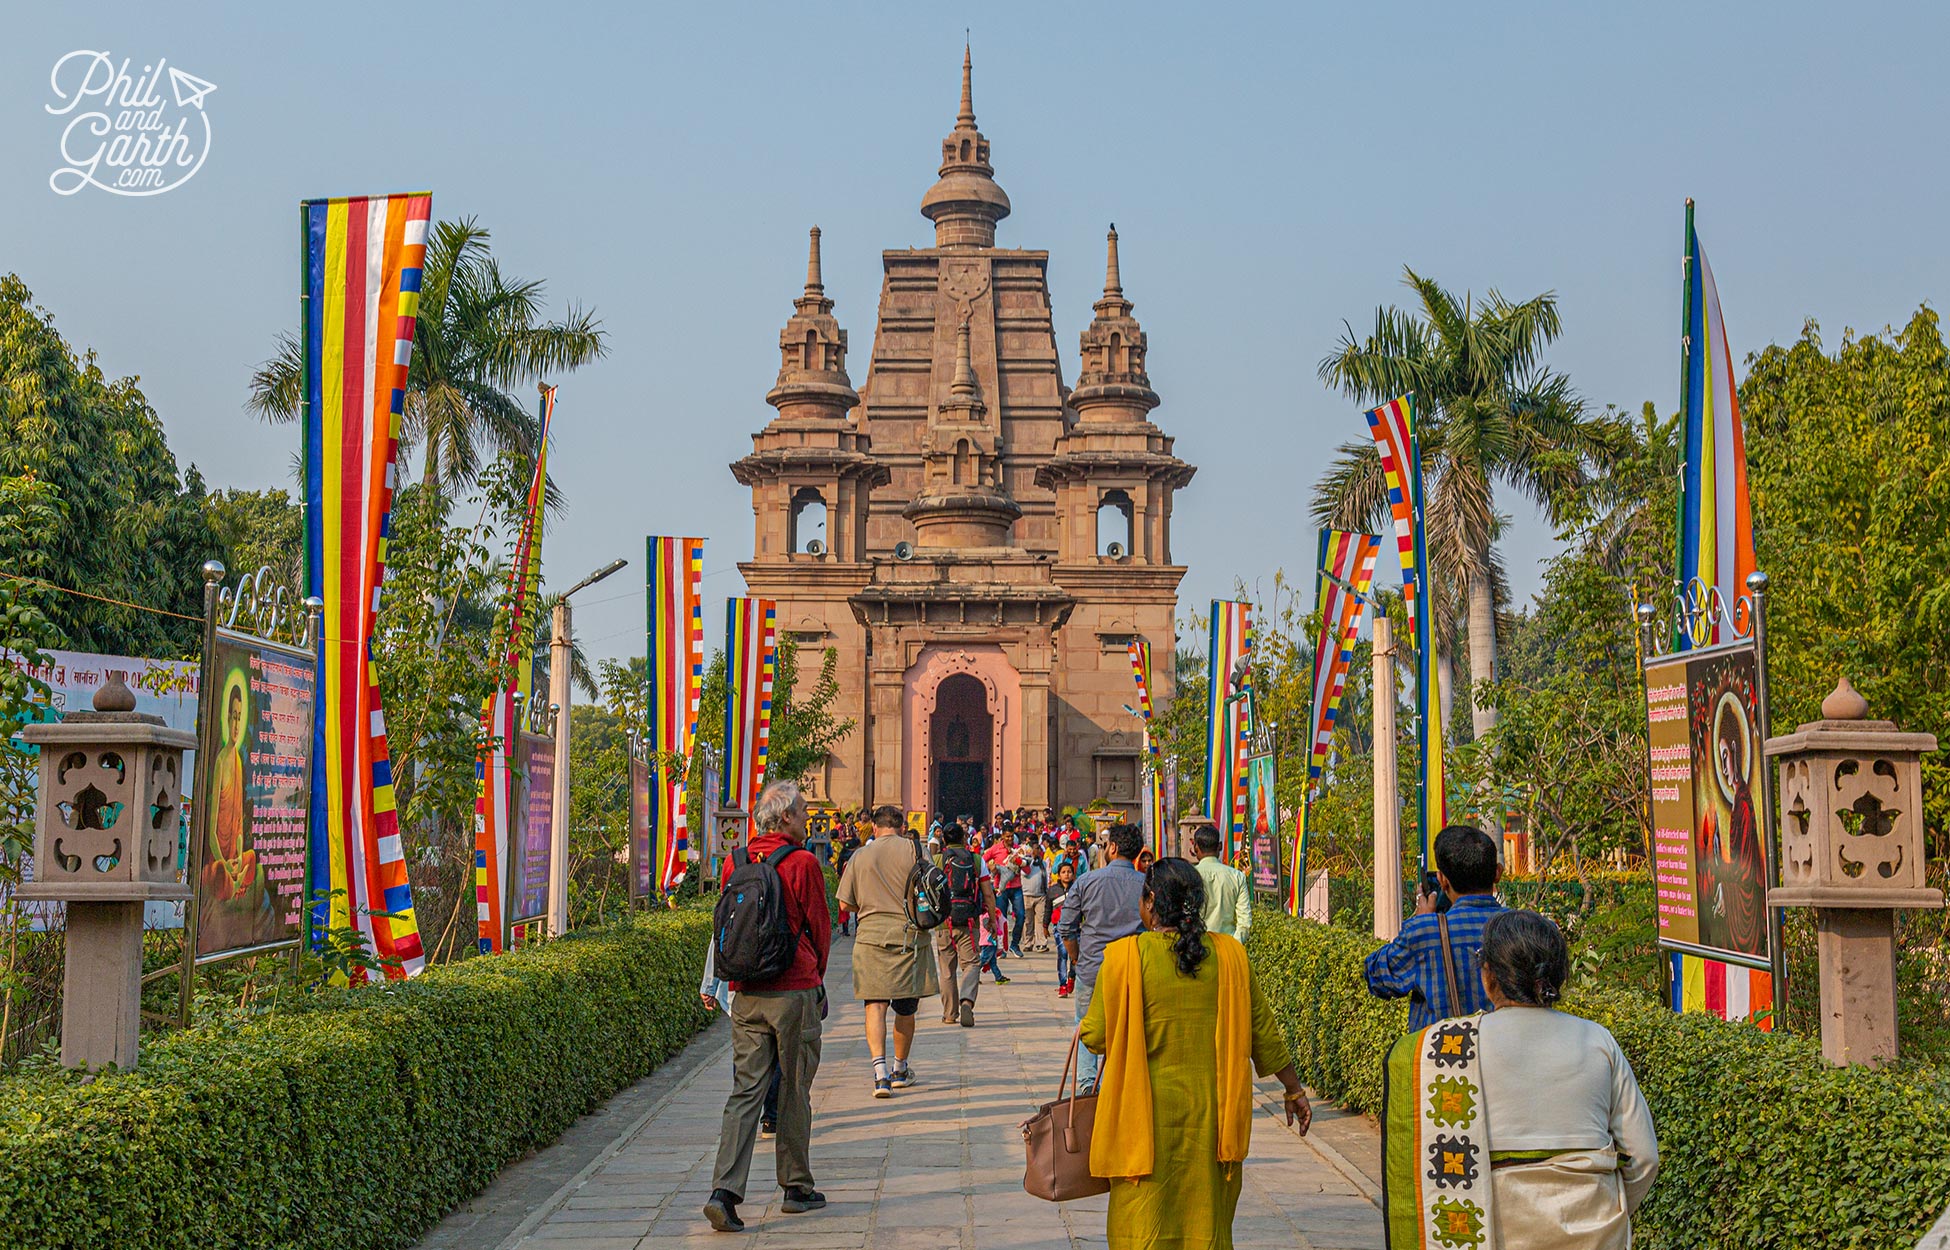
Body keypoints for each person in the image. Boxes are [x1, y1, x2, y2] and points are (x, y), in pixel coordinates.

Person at [1382, 910, 1658, 1250]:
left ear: (1489, 977)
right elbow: (1644, 1157)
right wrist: (1613, 1208)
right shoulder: (1598, 1040)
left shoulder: (1447, 1048)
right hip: (1596, 1233)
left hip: (1494, 1234)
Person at [1077, 857, 1307, 1250]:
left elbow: (1095, 1037)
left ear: (1149, 902)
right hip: (1211, 1124)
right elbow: (1264, 1034)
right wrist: (1294, 1091)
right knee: (1206, 1228)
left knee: (1141, 1229)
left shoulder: (1122, 958)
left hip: (1140, 1126)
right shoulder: (1230, 955)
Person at [705, 780, 831, 1233]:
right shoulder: (802, 863)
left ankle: (724, 1191)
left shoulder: (735, 863)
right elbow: (820, 928)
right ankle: (795, 1188)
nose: (806, 817)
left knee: (745, 1091)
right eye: (800, 811)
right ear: (784, 819)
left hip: (747, 992)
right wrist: (816, 980)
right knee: (795, 1088)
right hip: (792, 990)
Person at [836, 805, 939, 1098]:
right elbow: (933, 892)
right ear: (902, 827)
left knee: (875, 1004)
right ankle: (900, 1069)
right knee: (906, 1008)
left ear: (875, 827)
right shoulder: (917, 851)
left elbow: (844, 904)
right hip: (910, 937)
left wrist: (869, 907)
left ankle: (880, 1074)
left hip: (871, 937)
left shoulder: (860, 855)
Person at [1363, 824, 1508, 1029]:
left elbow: (1376, 976)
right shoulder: (1530, 927)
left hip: (1443, 1057)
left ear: (1442, 880)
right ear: (1498, 872)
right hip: (1509, 1057)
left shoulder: (1425, 932)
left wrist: (1420, 920)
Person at [1057, 822, 1147, 1092]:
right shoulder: (1146, 884)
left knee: (1086, 1025)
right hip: (1133, 967)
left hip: (1092, 967)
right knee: (1129, 1029)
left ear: (1113, 847)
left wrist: (1076, 959)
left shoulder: (1086, 881)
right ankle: (1120, 1085)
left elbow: (1066, 928)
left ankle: (1087, 1085)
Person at [934, 823, 995, 1027]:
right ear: (964, 839)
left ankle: (949, 1014)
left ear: (944, 840)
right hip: (969, 921)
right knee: (971, 963)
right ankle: (967, 1000)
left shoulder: (937, 860)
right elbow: (987, 892)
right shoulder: (976, 860)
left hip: (944, 922)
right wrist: (992, 918)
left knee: (947, 969)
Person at [1189, 825, 1252, 944]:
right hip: (1228, 946)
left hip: (1197, 948)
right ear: (1220, 846)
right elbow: (1245, 923)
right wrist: (1233, 945)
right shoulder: (1237, 876)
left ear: (1196, 847)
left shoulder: (1189, 877)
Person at [985, 828, 1027, 957]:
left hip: (1016, 886)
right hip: (1001, 888)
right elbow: (983, 860)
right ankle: (1001, 947)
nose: (1009, 839)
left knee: (1020, 915)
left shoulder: (1018, 849)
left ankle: (1014, 944)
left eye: (1011, 836)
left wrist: (1020, 862)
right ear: (1003, 836)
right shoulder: (995, 849)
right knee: (1001, 918)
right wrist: (990, 867)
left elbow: (1026, 866)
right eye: (1007, 836)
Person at [1049, 858, 1079, 995]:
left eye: (1069, 872)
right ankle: (1062, 984)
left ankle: (1072, 976)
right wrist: (1045, 925)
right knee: (1062, 954)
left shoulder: (1077, 889)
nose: (1066, 874)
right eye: (1063, 872)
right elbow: (1048, 908)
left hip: (1076, 927)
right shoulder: (1053, 890)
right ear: (1059, 875)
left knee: (1075, 955)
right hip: (1058, 927)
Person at [1020, 850, 1050, 952]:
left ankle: (1041, 943)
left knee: (1040, 920)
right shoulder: (1025, 863)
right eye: (1034, 850)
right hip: (1026, 895)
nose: (1036, 853)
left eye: (1038, 850)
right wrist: (1029, 860)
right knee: (1028, 921)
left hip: (1041, 895)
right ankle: (1028, 943)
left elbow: (1047, 876)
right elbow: (1024, 873)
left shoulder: (1044, 864)